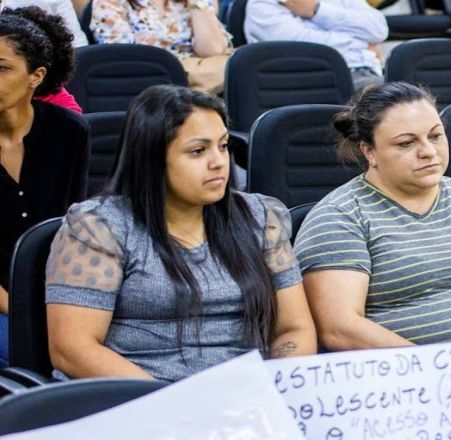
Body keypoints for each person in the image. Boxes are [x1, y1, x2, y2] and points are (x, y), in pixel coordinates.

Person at [44, 85, 316, 381]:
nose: (219, 162)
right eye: (198, 151)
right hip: (137, 400)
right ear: (153, 159)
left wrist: (276, 386)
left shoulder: (260, 217)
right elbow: (72, 349)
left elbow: (294, 329)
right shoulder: (98, 227)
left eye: (223, 146)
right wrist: (176, 404)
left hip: (245, 400)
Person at [294, 82, 451, 348]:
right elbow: (340, 328)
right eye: (407, 143)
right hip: (407, 378)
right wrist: (433, 369)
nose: (429, 152)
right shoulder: (339, 216)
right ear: (369, 151)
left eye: (435, 136)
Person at [0, 7, 88, 368]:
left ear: (36, 76)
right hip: (8, 300)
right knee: (25, 359)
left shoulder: (68, 131)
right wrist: (23, 308)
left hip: (54, 288)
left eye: (2, 69)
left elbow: (74, 225)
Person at [91, 0, 233, 94]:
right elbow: (123, 59)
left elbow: (213, 49)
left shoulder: (187, 3)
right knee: (235, 68)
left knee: (244, 62)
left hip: (200, 83)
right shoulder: (111, 3)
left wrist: (198, 4)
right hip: (151, 84)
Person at [244, 0, 388, 90]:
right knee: (402, 97)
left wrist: (318, 10)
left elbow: (379, 29)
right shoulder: (262, 4)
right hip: (319, 81)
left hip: (369, 73)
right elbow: (312, 52)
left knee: (406, 84)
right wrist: (361, 43)